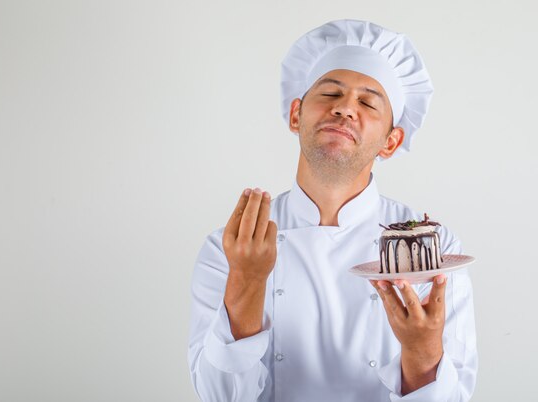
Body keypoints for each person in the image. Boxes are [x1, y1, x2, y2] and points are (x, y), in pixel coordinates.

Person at [188, 19, 477, 401]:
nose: (344, 108)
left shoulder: (429, 251)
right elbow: (218, 396)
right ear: (296, 115)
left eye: (368, 102)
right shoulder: (231, 247)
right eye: (330, 93)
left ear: (391, 142)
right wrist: (248, 281)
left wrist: (422, 353)